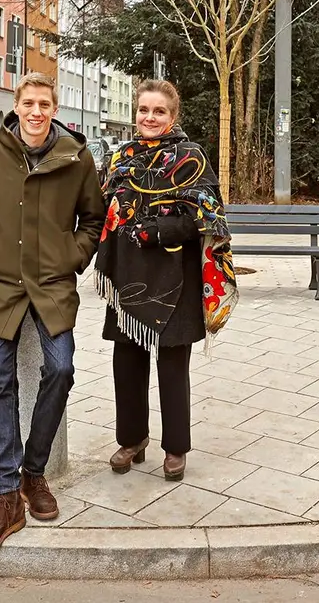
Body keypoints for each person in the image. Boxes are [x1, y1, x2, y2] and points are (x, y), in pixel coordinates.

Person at [0, 72, 104, 552]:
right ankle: (6, 496)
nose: (37, 112)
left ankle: (33, 472)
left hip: (53, 283)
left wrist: (72, 256)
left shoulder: (77, 157)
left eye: (45, 103)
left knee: (60, 369)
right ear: (15, 106)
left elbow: (94, 219)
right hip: (2, 284)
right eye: (29, 103)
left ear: (54, 107)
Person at [97, 79, 237, 483]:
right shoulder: (121, 156)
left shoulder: (191, 156)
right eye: (144, 110)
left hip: (174, 279)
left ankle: (175, 448)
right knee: (126, 362)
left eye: (159, 111)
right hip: (126, 277)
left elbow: (208, 218)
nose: (150, 117)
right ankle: (132, 439)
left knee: (172, 367)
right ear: (135, 112)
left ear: (173, 116)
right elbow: (102, 206)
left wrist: (159, 230)